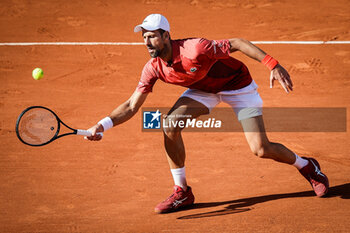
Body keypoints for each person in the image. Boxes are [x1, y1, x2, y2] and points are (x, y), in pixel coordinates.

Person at [86, 14, 329, 214]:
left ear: (166, 36)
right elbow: (131, 106)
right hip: (204, 89)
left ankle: (307, 166)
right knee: (169, 124)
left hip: (238, 86)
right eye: (144, 37)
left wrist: (272, 64)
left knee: (261, 149)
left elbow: (238, 43)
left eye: (152, 36)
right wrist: (102, 125)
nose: (147, 42)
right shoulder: (153, 68)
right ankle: (182, 192)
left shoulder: (196, 48)